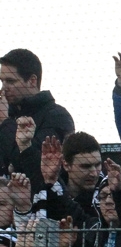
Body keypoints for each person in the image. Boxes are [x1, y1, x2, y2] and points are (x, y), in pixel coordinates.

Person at [0, 48, 74, 189]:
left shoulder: (57, 116)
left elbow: (31, 165)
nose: (4, 88)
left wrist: (4, 122)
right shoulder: (11, 116)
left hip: (44, 203)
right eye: (2, 81)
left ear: (32, 81)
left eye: (10, 81)